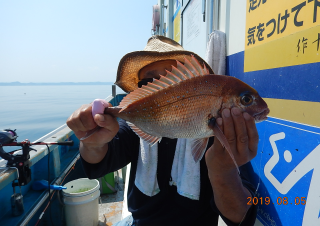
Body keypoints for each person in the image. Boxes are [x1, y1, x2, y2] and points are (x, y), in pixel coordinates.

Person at [66, 36, 258, 226]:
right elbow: (100, 160)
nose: (162, 90)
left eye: (172, 81)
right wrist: (92, 143)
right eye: (148, 83)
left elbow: (241, 216)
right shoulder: (136, 127)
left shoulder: (223, 136)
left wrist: (223, 171)